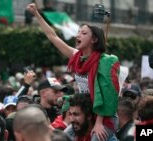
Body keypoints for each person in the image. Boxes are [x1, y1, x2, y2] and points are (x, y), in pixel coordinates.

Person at [27, 3, 120, 141]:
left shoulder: (104, 62)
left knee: (96, 138)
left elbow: (107, 94)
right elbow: (53, 37)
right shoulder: (76, 56)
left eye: (84, 33)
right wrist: (37, 15)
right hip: (84, 112)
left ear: (94, 39)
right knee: (63, 137)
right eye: (78, 32)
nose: (78, 35)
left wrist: (99, 123)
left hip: (104, 116)